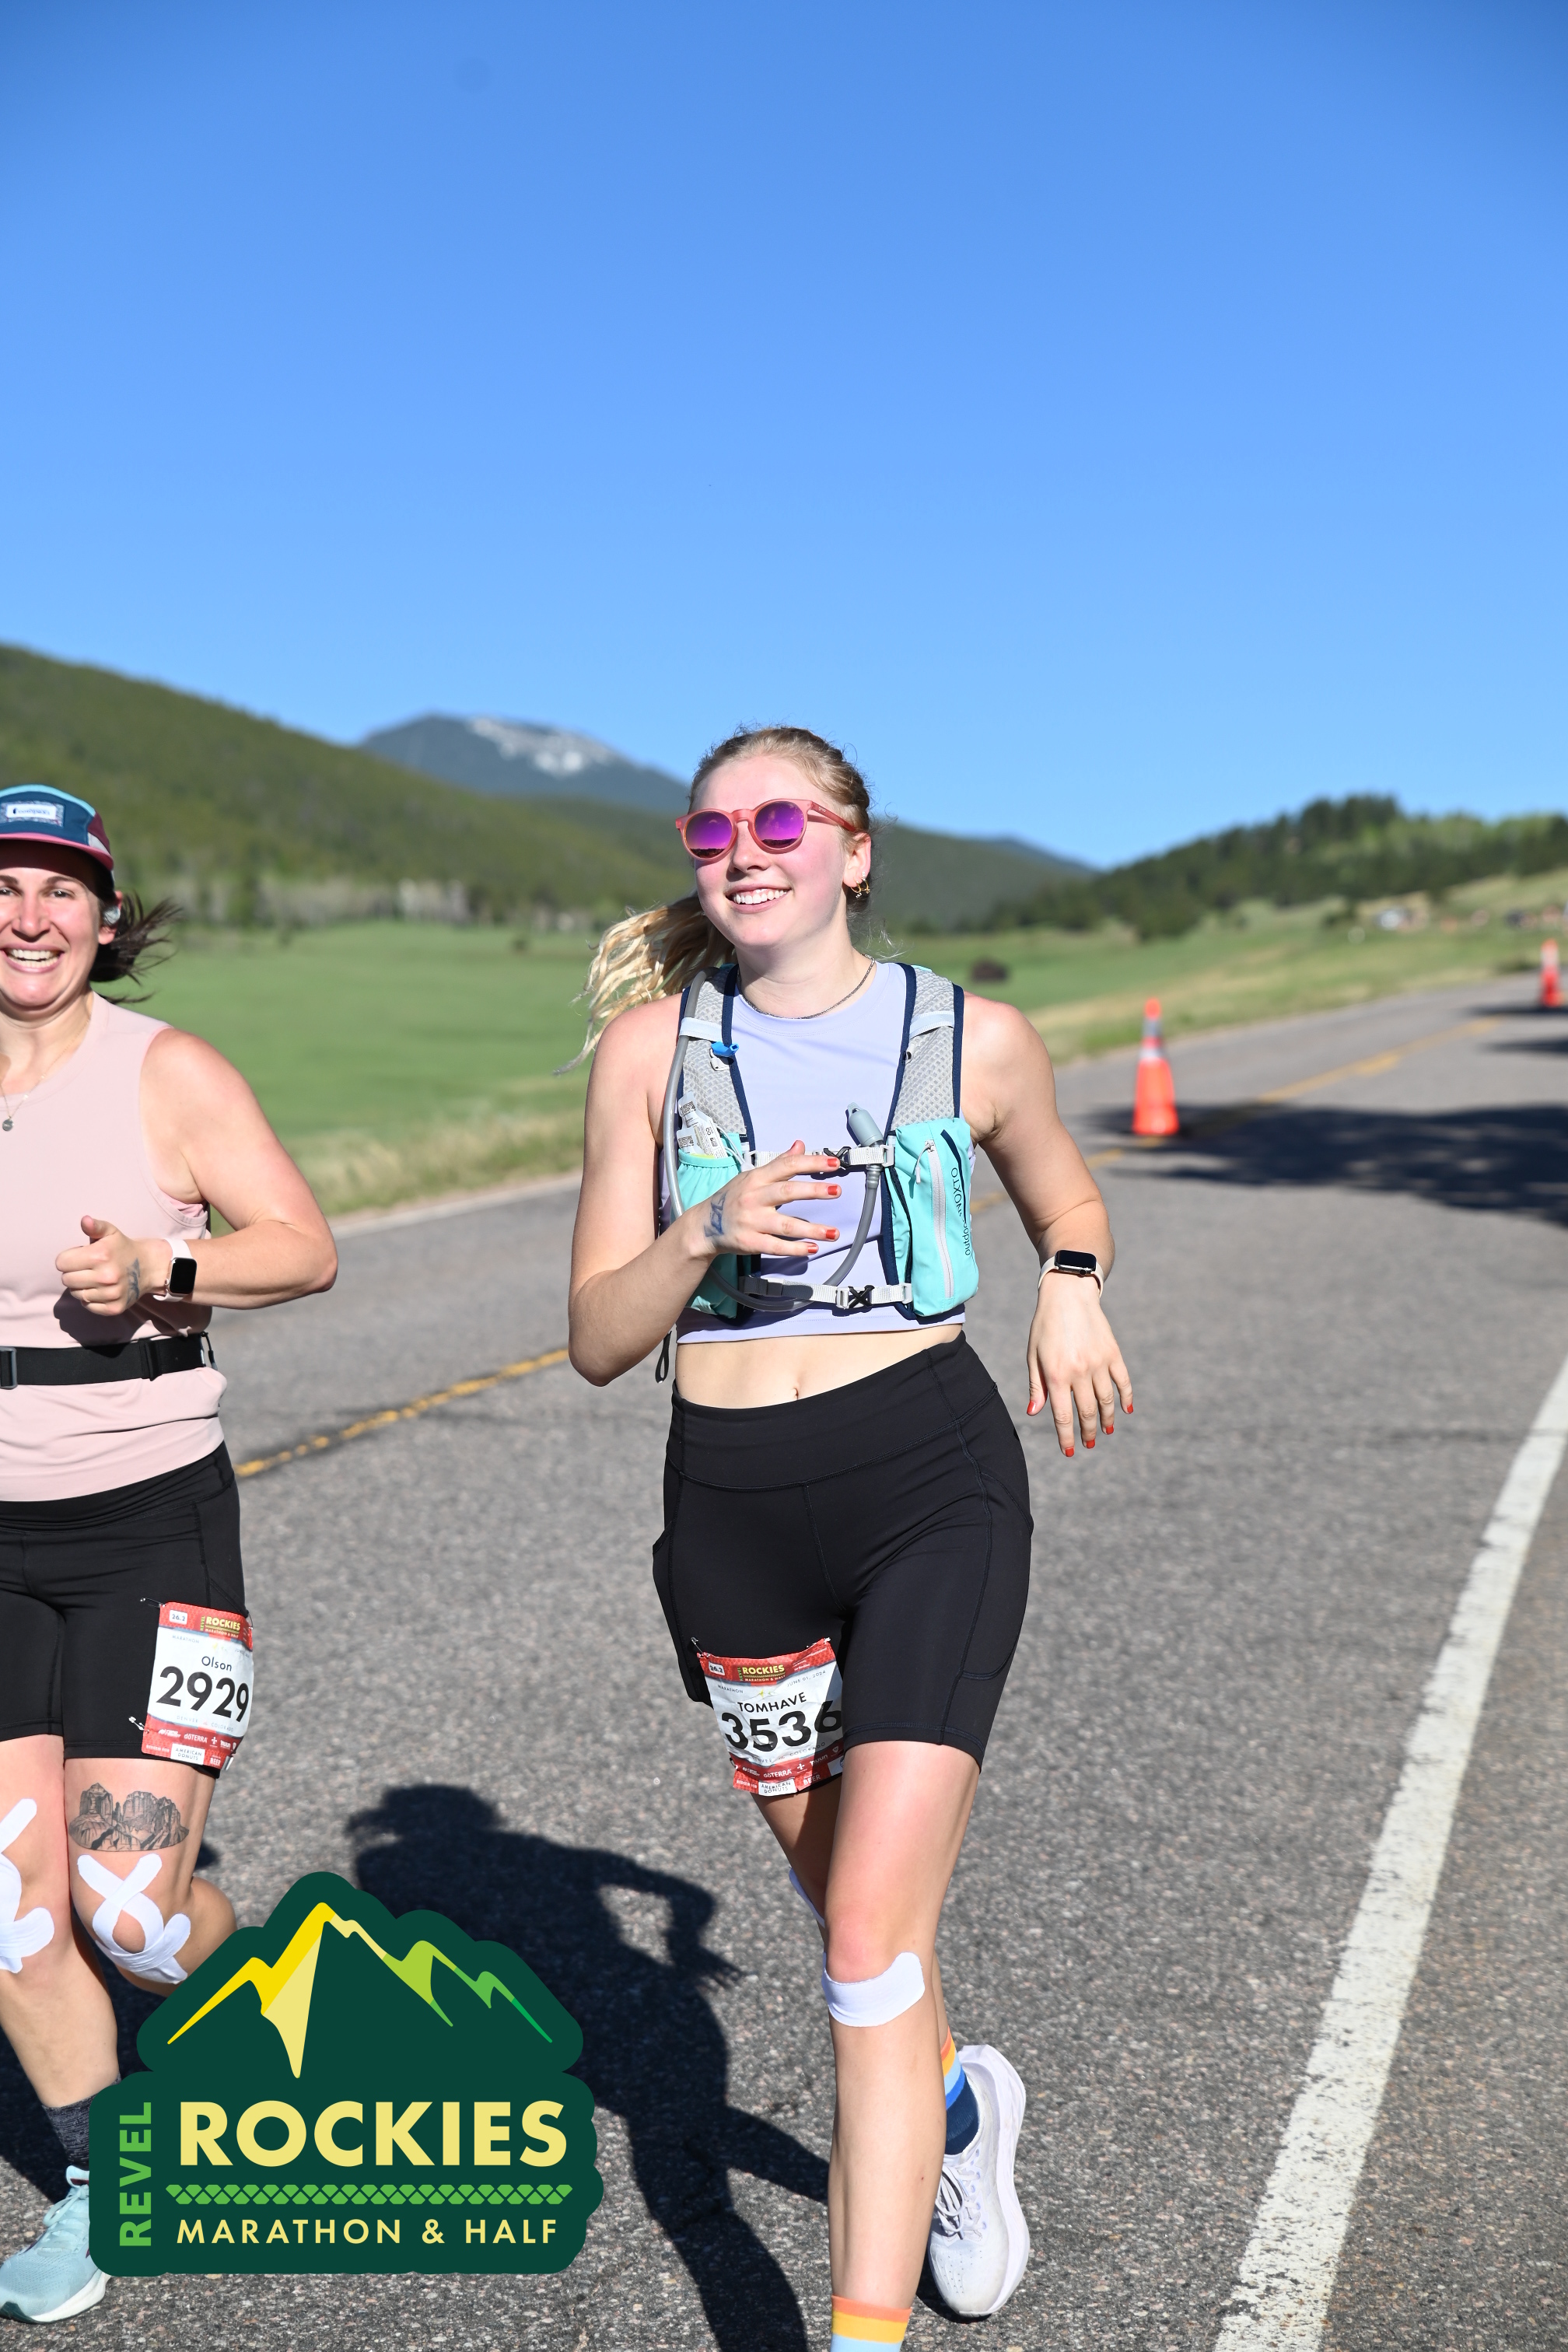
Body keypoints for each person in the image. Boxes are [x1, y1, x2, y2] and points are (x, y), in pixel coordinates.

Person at [569, 727, 1132, 2346]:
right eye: (710, 832)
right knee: (854, 1923)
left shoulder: (976, 1037)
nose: (742, 852)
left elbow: (1069, 1203)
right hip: (730, 1514)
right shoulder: (649, 1055)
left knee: (870, 1944)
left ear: (854, 850)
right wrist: (702, 1228)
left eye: (779, 822)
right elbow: (599, 1336)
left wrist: (1072, 1292)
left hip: (928, 1484)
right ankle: (955, 2111)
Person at [0, 788, 337, 2323]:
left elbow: (303, 1246)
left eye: (60, 890)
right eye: (5, 887)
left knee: (128, 1909)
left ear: (105, 913)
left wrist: (160, 1264)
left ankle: (277, 2013)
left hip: (149, 1515)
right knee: (16, 1907)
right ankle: (100, 2179)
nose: (30, 917)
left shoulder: (167, 1072)